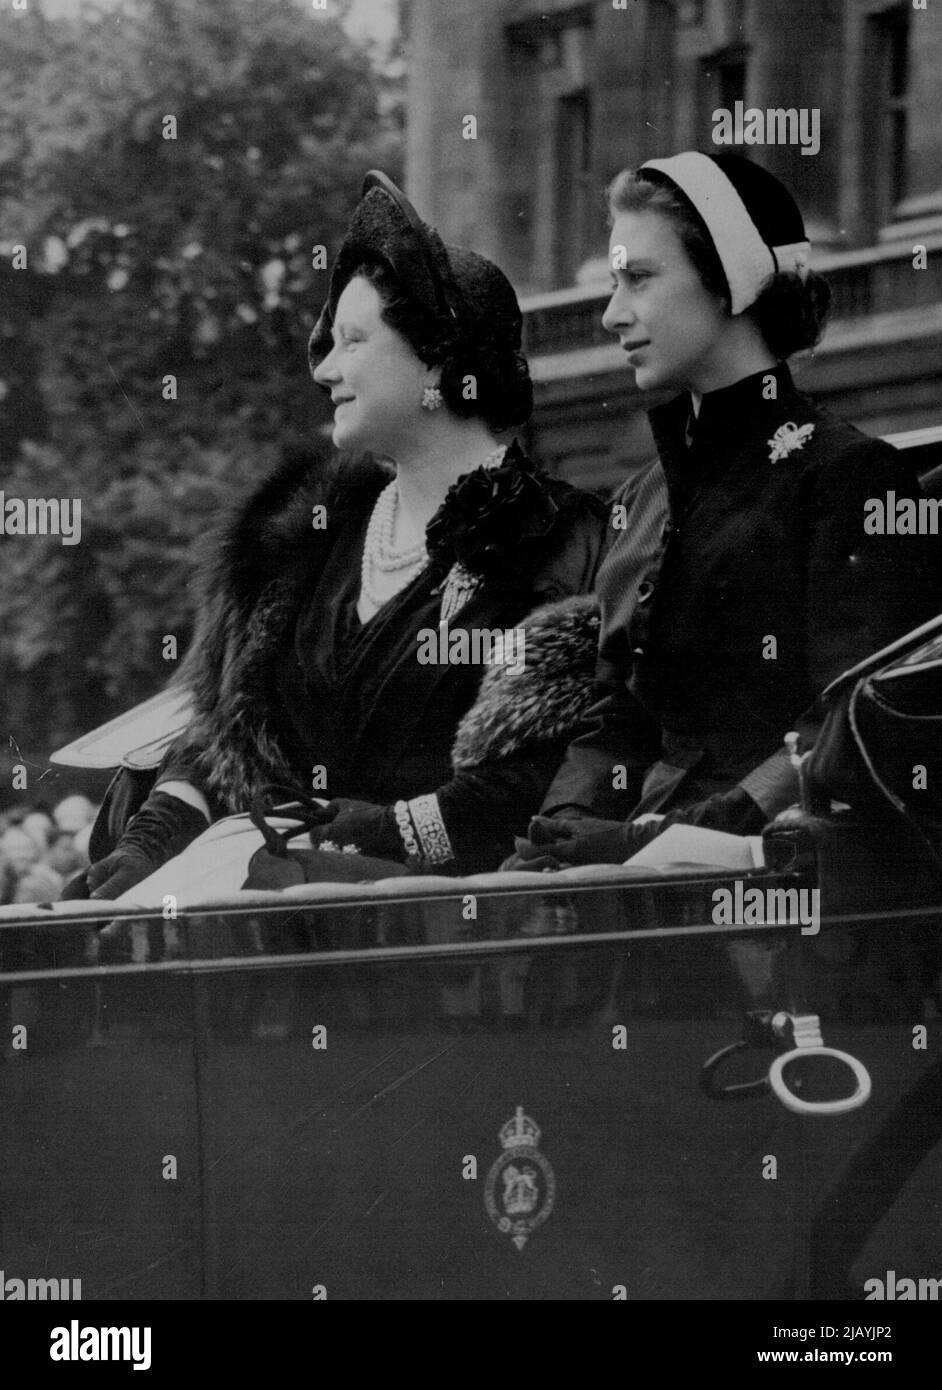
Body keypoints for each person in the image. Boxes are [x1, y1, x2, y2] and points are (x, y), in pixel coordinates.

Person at [66, 172, 608, 900]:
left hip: (451, 948)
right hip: (271, 936)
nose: (325, 368)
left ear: (439, 360)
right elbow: (226, 741)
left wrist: (374, 837)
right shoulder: (309, 541)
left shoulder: (564, 542)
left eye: (353, 341)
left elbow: (543, 783)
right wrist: (150, 841)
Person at [509, 151, 939, 869]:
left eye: (639, 279)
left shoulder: (846, 477)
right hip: (623, 881)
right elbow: (615, 716)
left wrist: (668, 838)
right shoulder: (641, 499)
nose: (613, 314)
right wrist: (566, 826)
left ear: (730, 284)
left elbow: (839, 727)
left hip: (768, 894)